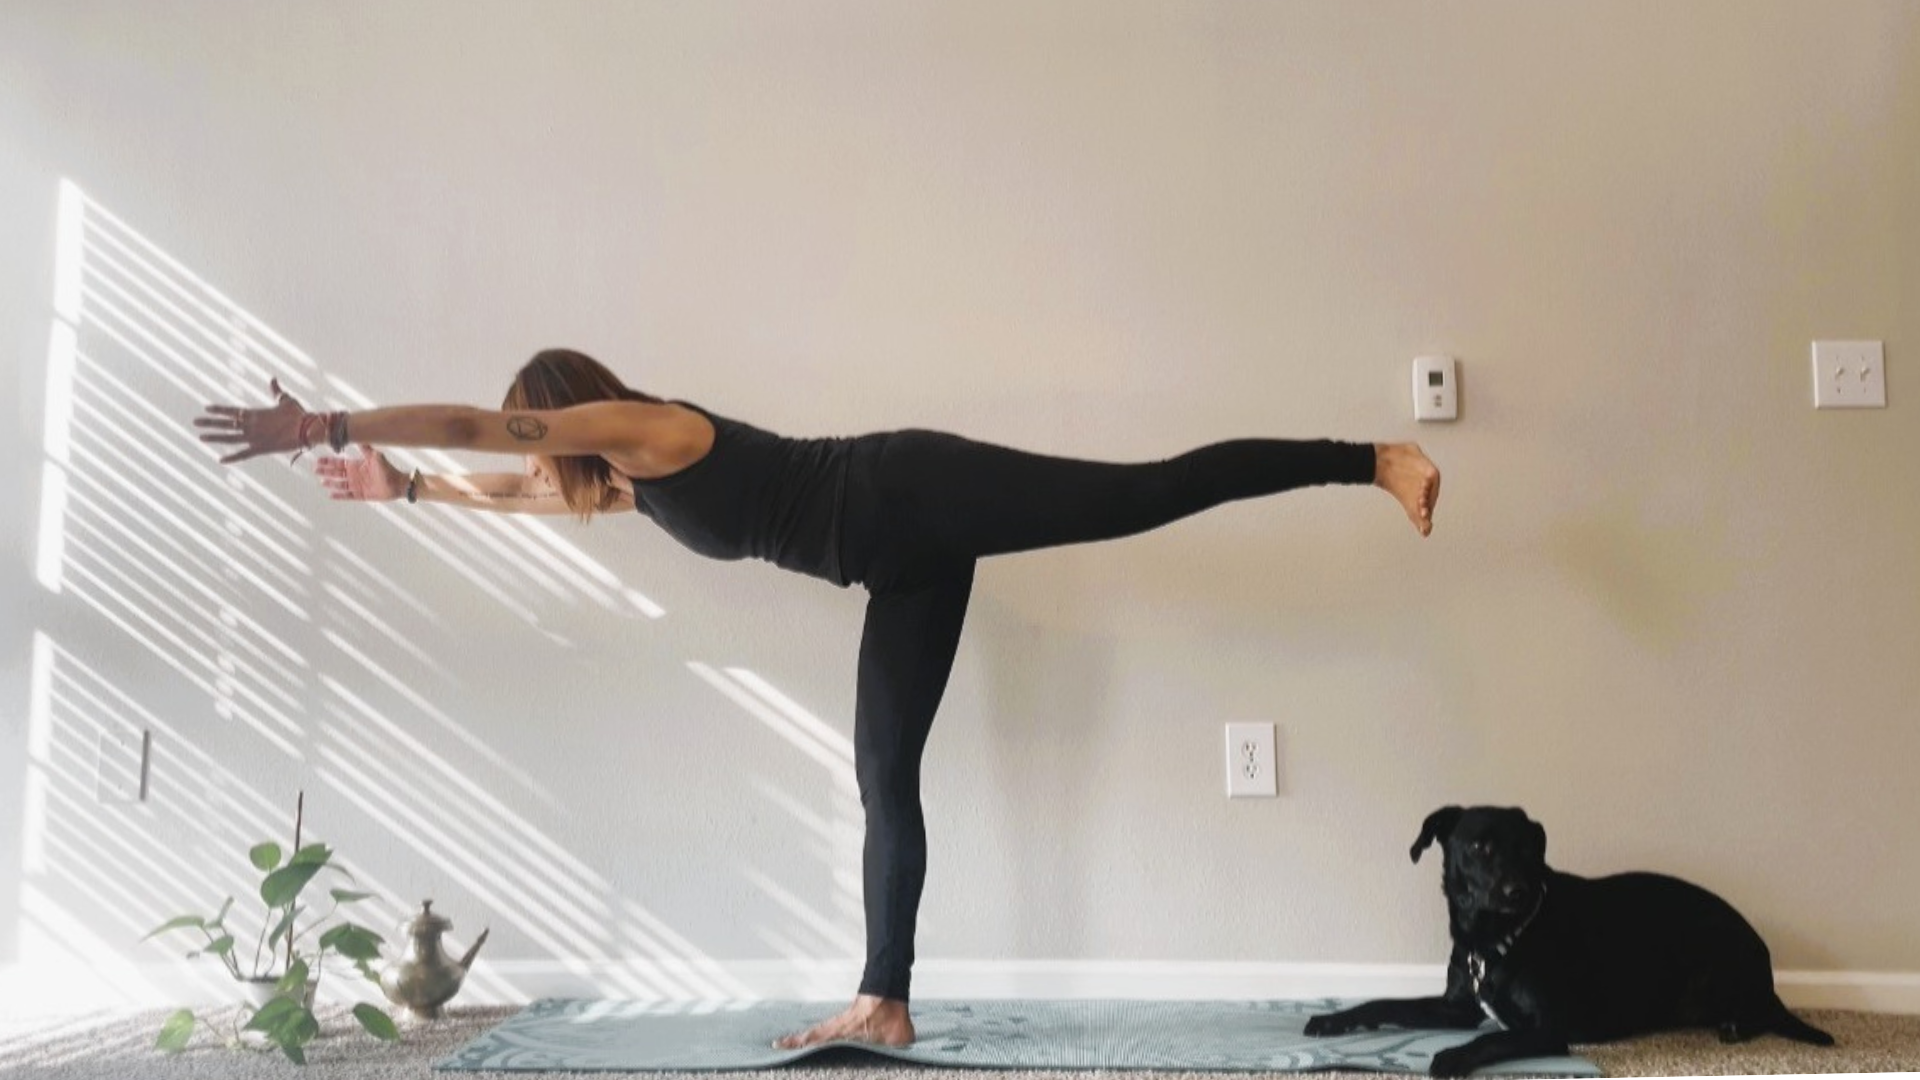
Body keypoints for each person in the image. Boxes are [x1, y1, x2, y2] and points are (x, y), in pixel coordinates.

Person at [196, 348, 1441, 1049]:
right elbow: (521, 491)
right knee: (881, 778)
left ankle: (1371, 457)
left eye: (547, 433)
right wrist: (399, 491)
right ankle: (883, 1003)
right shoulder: (626, 484)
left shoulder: (651, 428)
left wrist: (333, 417)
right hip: (894, 566)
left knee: (1143, 493)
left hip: (913, 493)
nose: (546, 456)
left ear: (571, 407)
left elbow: (486, 425)